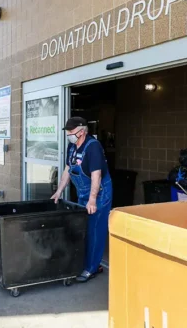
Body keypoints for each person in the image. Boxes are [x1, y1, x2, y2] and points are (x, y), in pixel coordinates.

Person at [51, 117, 112, 283]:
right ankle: (88, 262)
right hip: (84, 192)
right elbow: (67, 170)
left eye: (72, 132)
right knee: (84, 228)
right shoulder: (72, 146)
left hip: (99, 193)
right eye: (68, 132)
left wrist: (92, 201)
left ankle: (91, 269)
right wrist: (59, 191)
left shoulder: (93, 147)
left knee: (95, 230)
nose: (69, 135)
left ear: (82, 131)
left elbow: (96, 175)